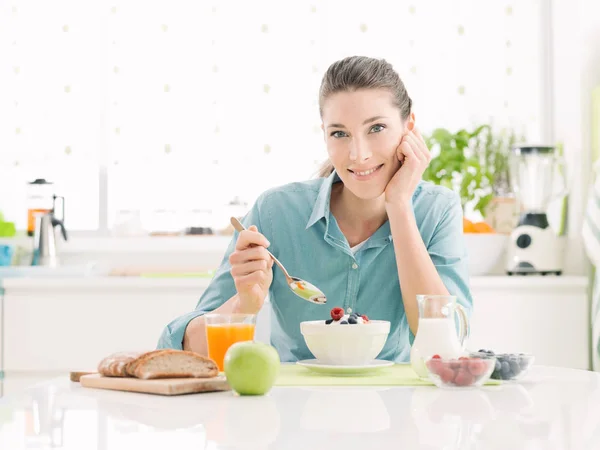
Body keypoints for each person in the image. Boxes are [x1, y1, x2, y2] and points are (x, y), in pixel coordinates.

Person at [157, 55, 473, 363]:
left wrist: (399, 206)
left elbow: (449, 344)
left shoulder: (437, 209)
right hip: (292, 408)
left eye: (376, 128)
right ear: (324, 133)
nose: (358, 154)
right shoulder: (276, 212)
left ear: (409, 127)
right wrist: (244, 303)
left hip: (397, 408)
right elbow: (179, 351)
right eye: (340, 133)